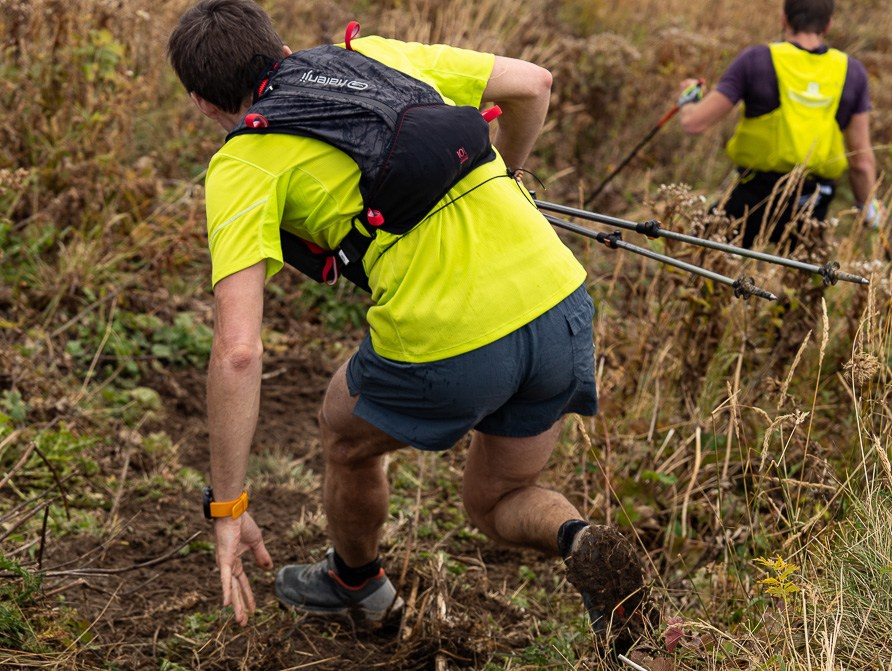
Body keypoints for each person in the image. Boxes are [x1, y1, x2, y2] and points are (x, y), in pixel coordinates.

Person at [166, 0, 647, 648]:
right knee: (499, 499)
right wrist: (516, 172)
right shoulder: (375, 56)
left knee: (344, 430)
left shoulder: (243, 161)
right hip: (559, 300)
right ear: (279, 49)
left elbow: (238, 352)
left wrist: (228, 506)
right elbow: (535, 83)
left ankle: (356, 585)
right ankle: (580, 538)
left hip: (453, 340)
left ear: (200, 102)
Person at [675, 0, 880, 248]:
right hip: (813, 202)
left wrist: (688, 99)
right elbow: (861, 162)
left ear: (784, 19)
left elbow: (694, 122)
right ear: (827, 25)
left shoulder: (755, 60)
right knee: (799, 280)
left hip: (754, 195)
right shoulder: (853, 72)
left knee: (704, 258)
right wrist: (868, 207)